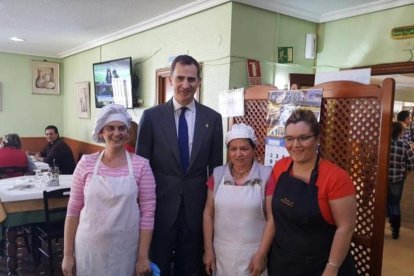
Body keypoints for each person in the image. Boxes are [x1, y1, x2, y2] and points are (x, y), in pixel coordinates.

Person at [137, 55, 223, 275]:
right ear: (170, 80)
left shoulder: (213, 119)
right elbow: (141, 168)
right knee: (158, 265)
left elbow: (215, 169)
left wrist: (212, 210)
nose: (186, 85)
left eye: (191, 79)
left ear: (199, 82)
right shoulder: (151, 117)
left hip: (196, 209)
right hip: (160, 208)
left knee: (191, 267)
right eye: (181, 78)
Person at [61, 104, 156, 275]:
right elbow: (73, 210)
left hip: (125, 249)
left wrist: (142, 257)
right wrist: (68, 254)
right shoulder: (86, 163)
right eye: (110, 128)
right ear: (101, 132)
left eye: (122, 128)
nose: (116, 133)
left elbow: (148, 213)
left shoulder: (141, 166)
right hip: (89, 248)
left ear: (128, 133)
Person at [265, 109, 357, 275]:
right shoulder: (280, 168)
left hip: (320, 266)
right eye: (290, 139)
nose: (295, 145)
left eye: (303, 138)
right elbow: (274, 216)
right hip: (283, 262)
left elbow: (346, 227)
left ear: (317, 139)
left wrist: (332, 267)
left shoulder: (336, 177)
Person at [203, 123, 271, 276]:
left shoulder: (266, 175)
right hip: (221, 254)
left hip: (253, 255)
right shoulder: (218, 174)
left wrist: (261, 255)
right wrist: (208, 250)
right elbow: (208, 213)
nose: (238, 154)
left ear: (254, 150)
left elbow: (272, 218)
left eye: (244, 149)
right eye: (233, 149)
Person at [388, 121, 414, 239]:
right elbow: (411, 163)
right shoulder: (404, 145)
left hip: (383, 180)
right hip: (397, 179)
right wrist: (406, 173)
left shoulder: (384, 143)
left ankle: (378, 228)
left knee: (381, 202)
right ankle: (395, 230)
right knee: (395, 204)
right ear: (400, 132)